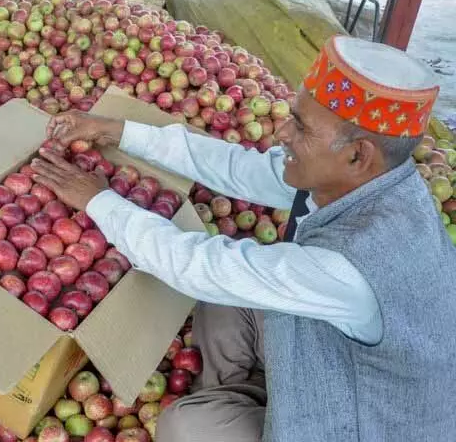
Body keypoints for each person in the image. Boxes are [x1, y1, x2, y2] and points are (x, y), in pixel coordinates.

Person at [31, 35, 456, 441]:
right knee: (224, 296)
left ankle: (243, 413)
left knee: (185, 427)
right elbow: (238, 166)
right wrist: (117, 131)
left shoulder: (358, 262)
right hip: (335, 350)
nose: (283, 134)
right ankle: (241, 396)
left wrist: (96, 200)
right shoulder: (363, 179)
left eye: (301, 128)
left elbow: (197, 264)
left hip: (365, 423)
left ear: (358, 154)